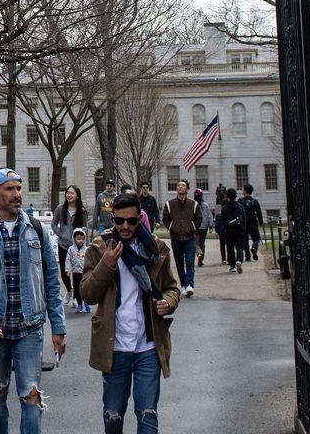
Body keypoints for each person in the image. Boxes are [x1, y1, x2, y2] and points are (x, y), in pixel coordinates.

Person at [0, 168, 66, 434]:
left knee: (31, 394)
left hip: (29, 327)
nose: (17, 194)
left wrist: (59, 327)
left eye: (19, 188)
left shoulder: (37, 230)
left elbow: (51, 280)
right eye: (10, 189)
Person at [78, 193, 182, 434]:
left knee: (148, 415)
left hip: (148, 346)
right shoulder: (100, 248)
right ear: (112, 219)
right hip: (115, 348)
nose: (125, 226)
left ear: (140, 219)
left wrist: (168, 301)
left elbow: (171, 288)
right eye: (119, 220)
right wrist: (107, 263)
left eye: (131, 221)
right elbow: (88, 294)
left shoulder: (156, 248)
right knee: (113, 416)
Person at [162, 180, 197, 298]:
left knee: (190, 262)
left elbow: (199, 219)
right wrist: (172, 227)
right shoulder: (169, 204)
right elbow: (165, 218)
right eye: (178, 185)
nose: (180, 187)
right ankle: (183, 285)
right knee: (179, 263)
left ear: (187, 189)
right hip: (176, 238)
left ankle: (189, 285)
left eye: (183, 185)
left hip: (189, 237)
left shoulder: (193, 204)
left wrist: (192, 227)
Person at [51, 185, 88, 284]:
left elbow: (85, 227)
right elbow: (53, 224)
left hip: (77, 246)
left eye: (72, 193)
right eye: (67, 193)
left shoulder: (82, 211)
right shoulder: (60, 208)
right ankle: (68, 290)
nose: (69, 195)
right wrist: (61, 234)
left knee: (78, 270)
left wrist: (81, 237)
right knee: (64, 270)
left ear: (77, 196)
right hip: (63, 245)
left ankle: (78, 293)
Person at [217, 189, 245, 273]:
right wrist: (244, 229)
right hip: (239, 229)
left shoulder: (225, 208)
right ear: (235, 196)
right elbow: (243, 219)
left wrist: (222, 231)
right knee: (240, 247)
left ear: (227, 197)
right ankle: (239, 260)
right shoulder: (240, 206)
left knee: (230, 248)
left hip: (229, 230)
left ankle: (232, 266)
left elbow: (222, 221)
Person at [65, 229, 90, 312]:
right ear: (74, 239)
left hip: (85, 273)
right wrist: (68, 269)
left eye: (82, 239)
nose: (80, 241)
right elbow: (68, 260)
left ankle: (86, 303)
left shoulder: (86, 250)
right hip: (75, 273)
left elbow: (90, 260)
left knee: (85, 289)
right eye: (78, 239)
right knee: (77, 289)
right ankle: (79, 304)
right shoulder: (71, 249)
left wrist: (90, 270)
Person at [240, 183, 264, 261]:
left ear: (245, 191)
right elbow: (259, 212)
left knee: (245, 240)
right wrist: (261, 221)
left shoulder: (240, 201)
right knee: (256, 238)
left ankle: (247, 256)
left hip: (244, 224)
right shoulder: (255, 201)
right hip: (253, 223)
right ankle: (254, 247)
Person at [196, 189, 215, 267]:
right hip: (204, 226)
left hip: (196, 226)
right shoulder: (205, 205)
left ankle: (199, 254)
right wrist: (211, 225)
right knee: (202, 243)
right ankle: (201, 258)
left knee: (196, 242)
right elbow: (209, 215)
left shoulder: (193, 204)